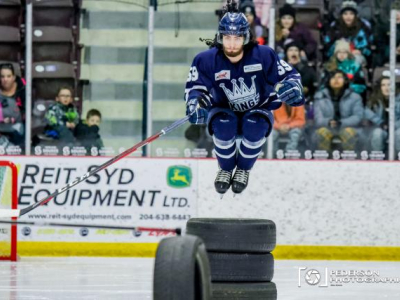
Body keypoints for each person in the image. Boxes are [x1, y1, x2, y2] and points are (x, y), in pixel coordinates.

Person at [185, 0, 304, 195]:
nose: (232, 44)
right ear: (220, 37)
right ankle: (225, 168)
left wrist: (293, 86)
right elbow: (195, 88)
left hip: (258, 108)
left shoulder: (263, 55)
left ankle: (242, 169)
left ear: (246, 37)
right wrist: (196, 102)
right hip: (223, 109)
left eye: (237, 38)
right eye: (227, 38)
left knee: (255, 124)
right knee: (224, 125)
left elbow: (290, 75)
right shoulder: (205, 60)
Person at [314, 70, 363, 152]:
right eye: (333, 77)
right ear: (328, 81)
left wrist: (341, 123)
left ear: (345, 80)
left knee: (348, 132)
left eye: (339, 77)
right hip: (327, 127)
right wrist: (328, 122)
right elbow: (317, 118)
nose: (336, 80)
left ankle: (349, 160)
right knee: (322, 132)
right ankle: (323, 160)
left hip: (348, 127)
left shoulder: (355, 97)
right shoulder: (320, 96)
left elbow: (358, 117)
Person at [324, 0, 373, 66]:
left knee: (356, 60)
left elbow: (369, 48)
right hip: (338, 55)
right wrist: (339, 51)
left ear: (355, 15)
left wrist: (360, 51)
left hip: (356, 56)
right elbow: (327, 47)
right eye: (345, 14)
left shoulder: (363, 27)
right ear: (341, 15)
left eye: (351, 14)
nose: (348, 17)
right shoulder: (334, 27)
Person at [0, 64, 25, 149]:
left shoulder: (23, 90)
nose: (5, 79)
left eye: (8, 76)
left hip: (18, 125)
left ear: (14, 77)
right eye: (2, 76)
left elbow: (28, 111)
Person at [363, 76, 390, 152]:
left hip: (395, 130)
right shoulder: (374, 101)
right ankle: (377, 157)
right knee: (378, 133)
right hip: (378, 130)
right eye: (383, 85)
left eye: (389, 84)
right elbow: (366, 113)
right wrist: (380, 122)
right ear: (379, 87)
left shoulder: (398, 100)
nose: (386, 87)